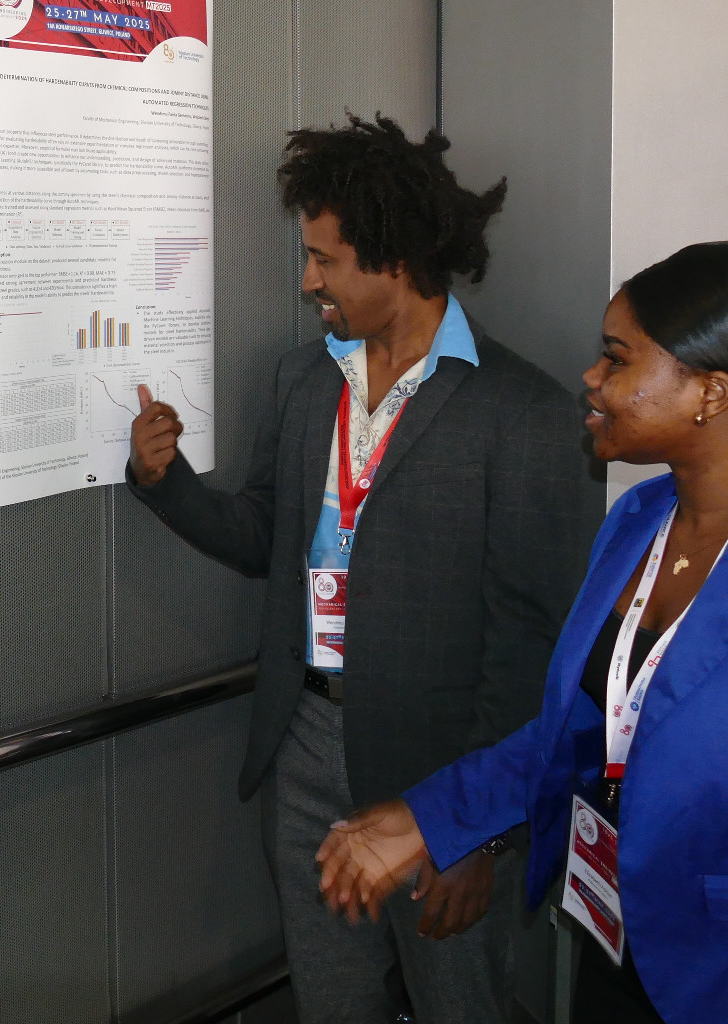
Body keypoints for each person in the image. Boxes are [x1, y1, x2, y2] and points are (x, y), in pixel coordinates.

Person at [316, 241, 728, 1024]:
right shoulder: (637, 521)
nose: (590, 377)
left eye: (616, 358)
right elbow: (583, 732)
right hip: (617, 946)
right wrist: (435, 816)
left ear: (711, 392)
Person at [127, 115, 594, 1023]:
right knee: (333, 1001)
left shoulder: (520, 412)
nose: (308, 281)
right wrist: (165, 482)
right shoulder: (305, 381)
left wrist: (479, 832)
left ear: (397, 261)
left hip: (440, 767)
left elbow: (531, 646)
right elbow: (265, 536)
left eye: (324, 260)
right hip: (305, 741)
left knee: (459, 1004)